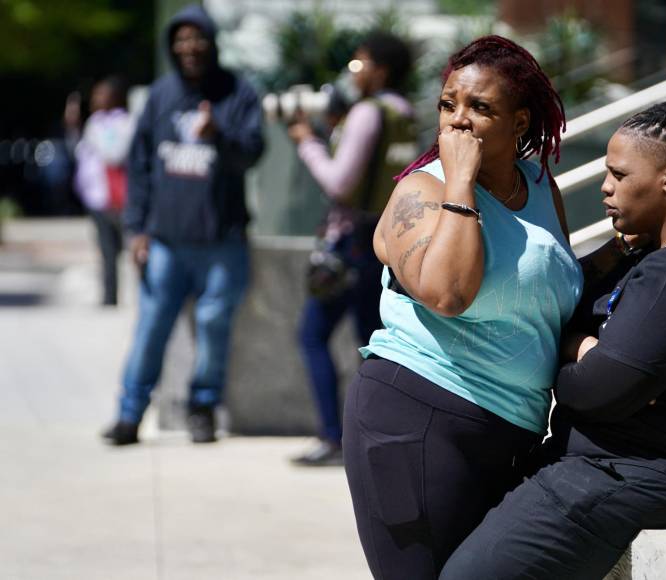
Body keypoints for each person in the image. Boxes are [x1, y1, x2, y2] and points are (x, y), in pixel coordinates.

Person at [439, 73, 666, 580]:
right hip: (609, 460)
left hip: (656, 470)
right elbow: (571, 314)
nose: (605, 187)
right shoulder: (651, 249)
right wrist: (586, 343)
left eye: (619, 176)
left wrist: (576, 354)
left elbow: (595, 390)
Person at [341, 36, 583, 579]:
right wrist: (461, 181)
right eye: (449, 104)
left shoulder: (542, 185)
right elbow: (447, 293)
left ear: (520, 122)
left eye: (480, 108)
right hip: (418, 420)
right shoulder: (420, 193)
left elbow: (554, 289)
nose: (458, 121)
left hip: (512, 432)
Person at [101, 4, 264, 446]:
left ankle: (203, 408)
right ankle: (129, 414)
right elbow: (139, 168)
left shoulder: (239, 93)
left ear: (212, 43)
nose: (190, 47)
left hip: (222, 242)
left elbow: (252, 152)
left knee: (214, 329)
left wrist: (219, 136)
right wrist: (136, 229)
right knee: (151, 328)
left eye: (198, 39)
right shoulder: (160, 96)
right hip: (166, 243)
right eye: (181, 40)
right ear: (172, 46)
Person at [286, 31, 418, 466]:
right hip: (386, 243)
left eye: (359, 63)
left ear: (379, 70)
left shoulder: (366, 113)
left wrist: (307, 142)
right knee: (373, 343)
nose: (352, 73)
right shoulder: (404, 112)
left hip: (350, 243)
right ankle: (381, 435)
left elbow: (340, 183)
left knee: (312, 335)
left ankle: (332, 436)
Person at [73, 76, 134, 306]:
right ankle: (110, 297)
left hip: (119, 197)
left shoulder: (123, 123)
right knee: (106, 250)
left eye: (102, 94)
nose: (97, 99)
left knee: (127, 248)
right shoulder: (94, 123)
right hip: (98, 198)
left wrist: (97, 135)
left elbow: (114, 154)